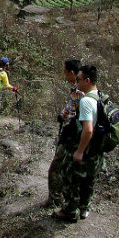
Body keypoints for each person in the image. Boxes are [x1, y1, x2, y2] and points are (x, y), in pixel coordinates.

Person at [55, 65, 105, 222]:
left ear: (87, 81)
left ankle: (69, 211)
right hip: (97, 148)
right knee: (88, 179)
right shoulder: (101, 96)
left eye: (78, 79)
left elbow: (88, 130)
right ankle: (84, 209)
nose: (76, 83)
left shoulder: (86, 101)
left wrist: (79, 151)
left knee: (69, 177)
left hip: (86, 147)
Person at [45, 59, 82, 208]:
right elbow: (71, 106)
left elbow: (79, 113)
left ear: (72, 73)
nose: (65, 76)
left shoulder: (80, 91)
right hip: (71, 133)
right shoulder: (77, 88)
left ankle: (56, 200)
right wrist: (62, 115)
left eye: (65, 72)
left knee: (57, 168)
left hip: (72, 136)